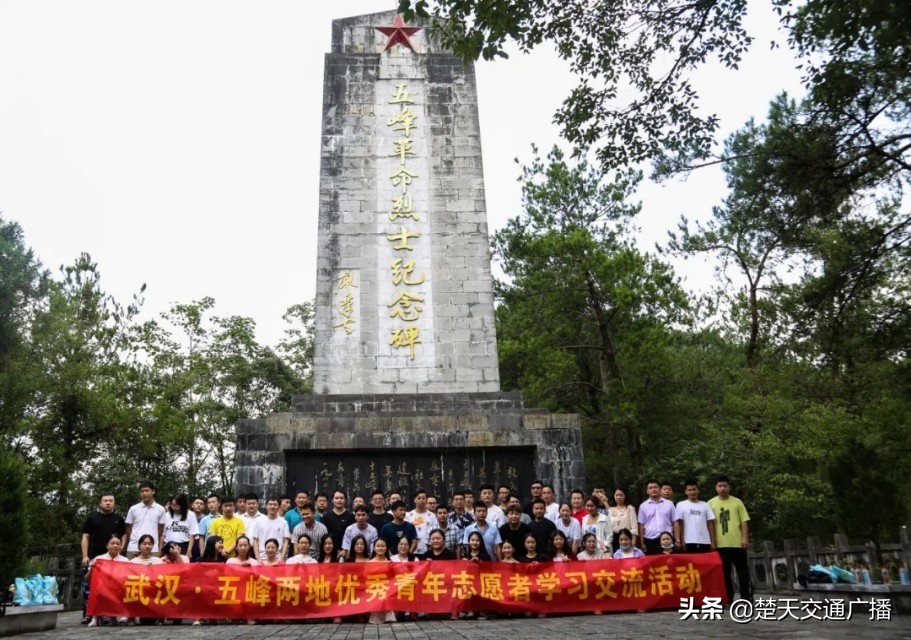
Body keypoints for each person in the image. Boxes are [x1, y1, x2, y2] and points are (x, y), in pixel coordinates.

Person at [80, 493, 126, 624]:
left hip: (114, 559)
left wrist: (120, 548)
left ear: (114, 503)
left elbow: (123, 535)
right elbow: (85, 537)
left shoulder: (119, 519)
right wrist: (85, 556)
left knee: (111, 587)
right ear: (100, 503)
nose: (108, 503)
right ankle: (88, 613)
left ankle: (108, 613)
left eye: (111, 501)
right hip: (96, 556)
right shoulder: (92, 518)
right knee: (89, 586)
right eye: (105, 501)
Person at [708, 476, 752, 603]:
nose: (722, 488)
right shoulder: (710, 503)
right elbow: (709, 523)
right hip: (720, 544)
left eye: (725, 486)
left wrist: (745, 538)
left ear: (729, 487)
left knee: (742, 572)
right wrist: (712, 541)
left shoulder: (737, 502)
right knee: (724, 573)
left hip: (737, 543)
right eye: (720, 486)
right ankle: (728, 598)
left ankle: (746, 597)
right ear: (716, 488)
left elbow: (744, 521)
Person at [86, 535, 132, 627]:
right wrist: (91, 569)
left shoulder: (125, 560)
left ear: (120, 546)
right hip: (103, 588)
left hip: (119, 588)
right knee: (97, 591)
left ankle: (120, 615)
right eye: (112, 543)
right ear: (107, 545)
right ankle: (95, 617)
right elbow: (87, 578)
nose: (115, 546)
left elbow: (129, 577)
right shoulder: (99, 559)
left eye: (118, 544)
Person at [124, 481, 166, 558]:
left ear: (153, 491)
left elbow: (161, 528)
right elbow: (128, 526)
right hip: (134, 547)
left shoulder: (160, 509)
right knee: (131, 569)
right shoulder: (133, 509)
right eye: (142, 491)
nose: (144, 493)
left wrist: (153, 540)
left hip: (152, 548)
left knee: (152, 569)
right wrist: (134, 538)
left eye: (147, 491)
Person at [637, 481, 679, 555]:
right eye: (650, 488)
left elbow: (675, 522)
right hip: (650, 540)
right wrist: (642, 542)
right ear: (647, 491)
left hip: (667, 539)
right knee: (652, 564)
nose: (653, 489)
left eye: (655, 487)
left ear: (660, 489)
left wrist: (677, 540)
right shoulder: (643, 506)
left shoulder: (669, 504)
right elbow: (641, 525)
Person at [676, 479, 716, 553]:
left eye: (694, 489)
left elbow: (710, 524)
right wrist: (682, 541)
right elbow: (680, 525)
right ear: (686, 492)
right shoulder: (680, 505)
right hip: (688, 541)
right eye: (689, 490)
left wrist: (712, 542)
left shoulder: (705, 505)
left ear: (698, 490)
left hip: (705, 541)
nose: (692, 492)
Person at [367, 539, 397, 624]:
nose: (380, 548)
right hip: (373, 590)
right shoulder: (369, 563)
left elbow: (394, 579)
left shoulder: (390, 563)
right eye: (378, 546)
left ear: (386, 548)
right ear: (374, 548)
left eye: (383, 546)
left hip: (387, 590)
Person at [405, 490, 433, 554]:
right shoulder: (408, 515)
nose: (421, 500)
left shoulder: (432, 516)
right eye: (419, 498)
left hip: (428, 550)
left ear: (426, 500)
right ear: (415, 500)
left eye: (423, 498)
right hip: (412, 550)